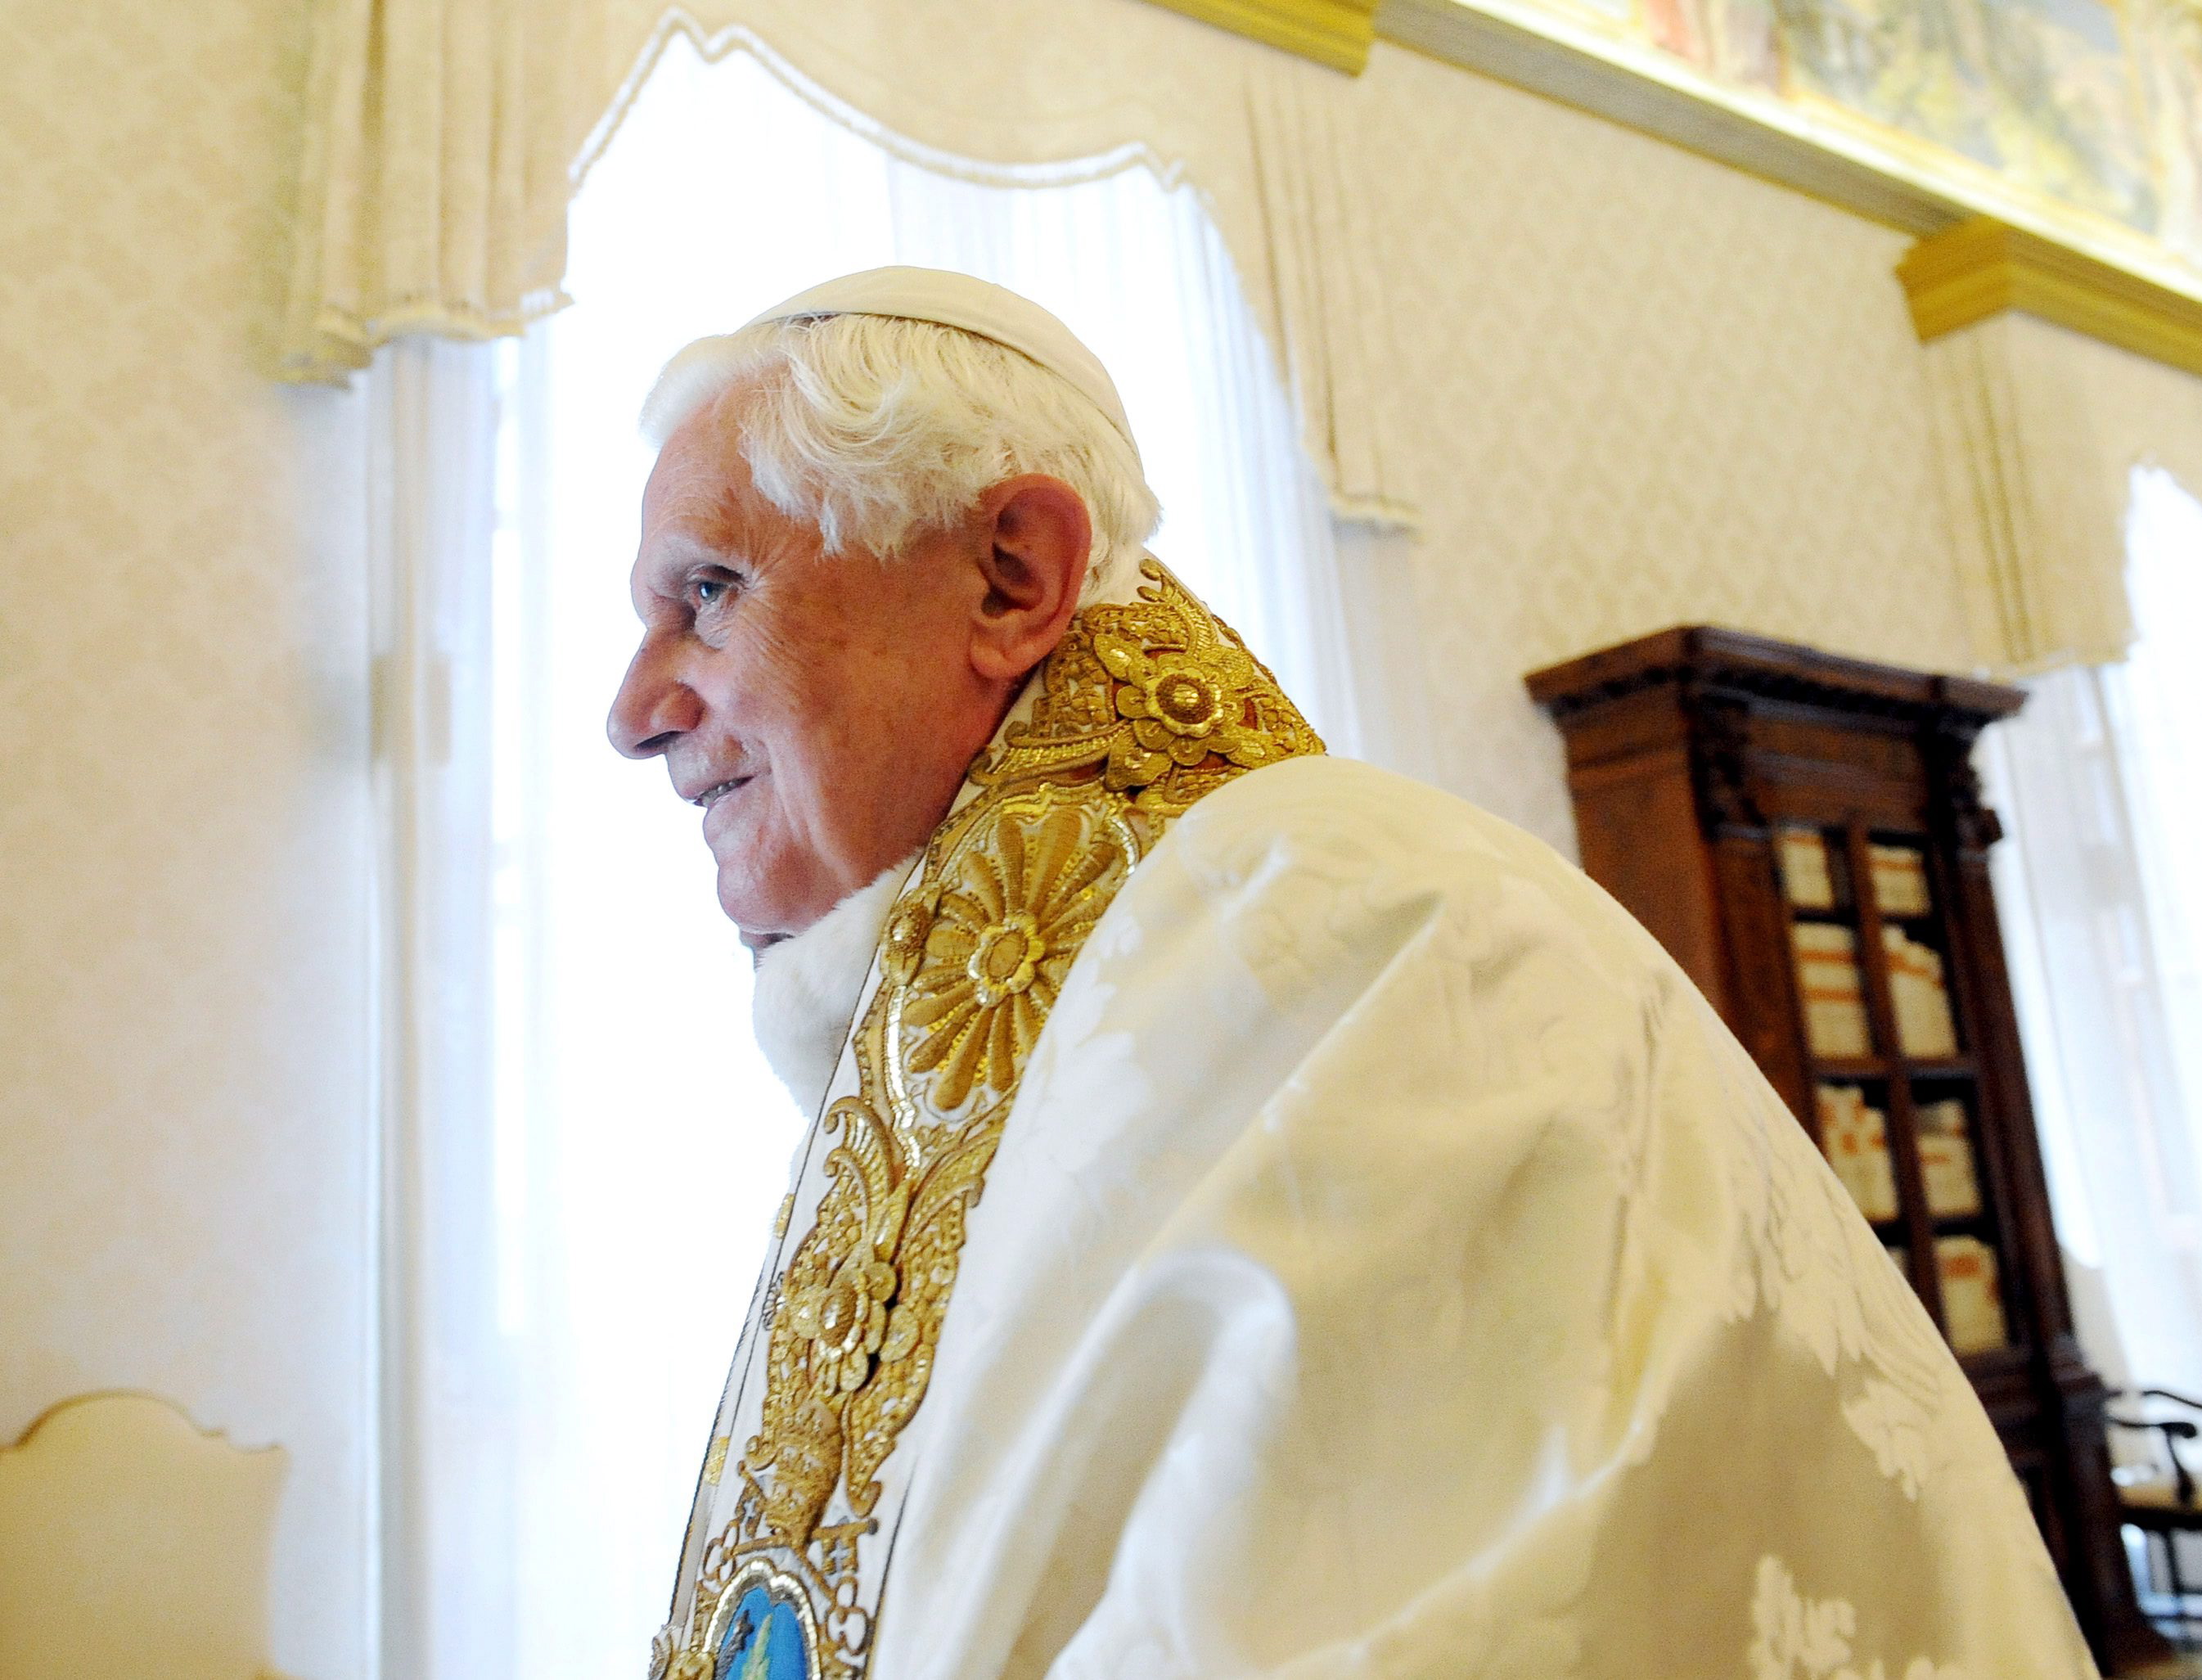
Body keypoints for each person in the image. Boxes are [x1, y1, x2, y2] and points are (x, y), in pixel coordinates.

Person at [608, 268, 2097, 1680]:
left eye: (712, 591)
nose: (634, 710)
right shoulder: (1037, 998)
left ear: (1013, 577)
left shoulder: (1363, 934)